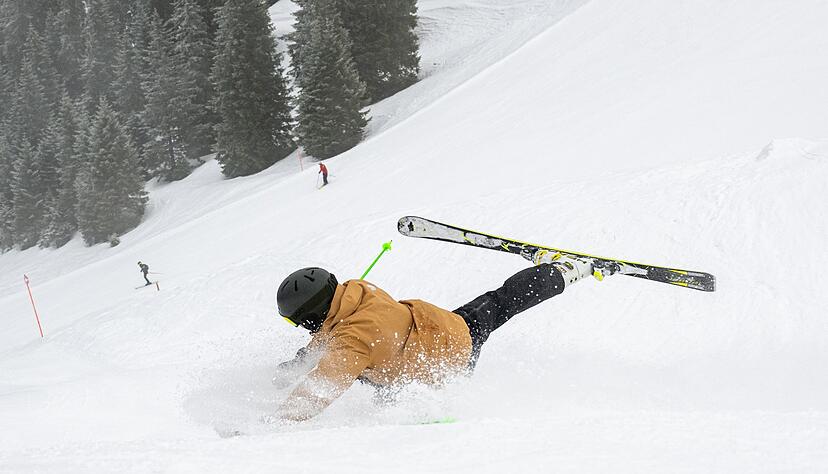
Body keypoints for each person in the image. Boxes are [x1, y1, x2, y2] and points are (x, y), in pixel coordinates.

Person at [271, 250, 614, 422]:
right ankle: (553, 269)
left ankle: (569, 269)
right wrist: (298, 363)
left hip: (449, 357)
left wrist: (270, 424)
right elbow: (333, 332)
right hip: (437, 327)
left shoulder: (354, 342)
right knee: (498, 301)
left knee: (504, 302)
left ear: (312, 316)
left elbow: (318, 391)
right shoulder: (356, 291)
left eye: (299, 323)